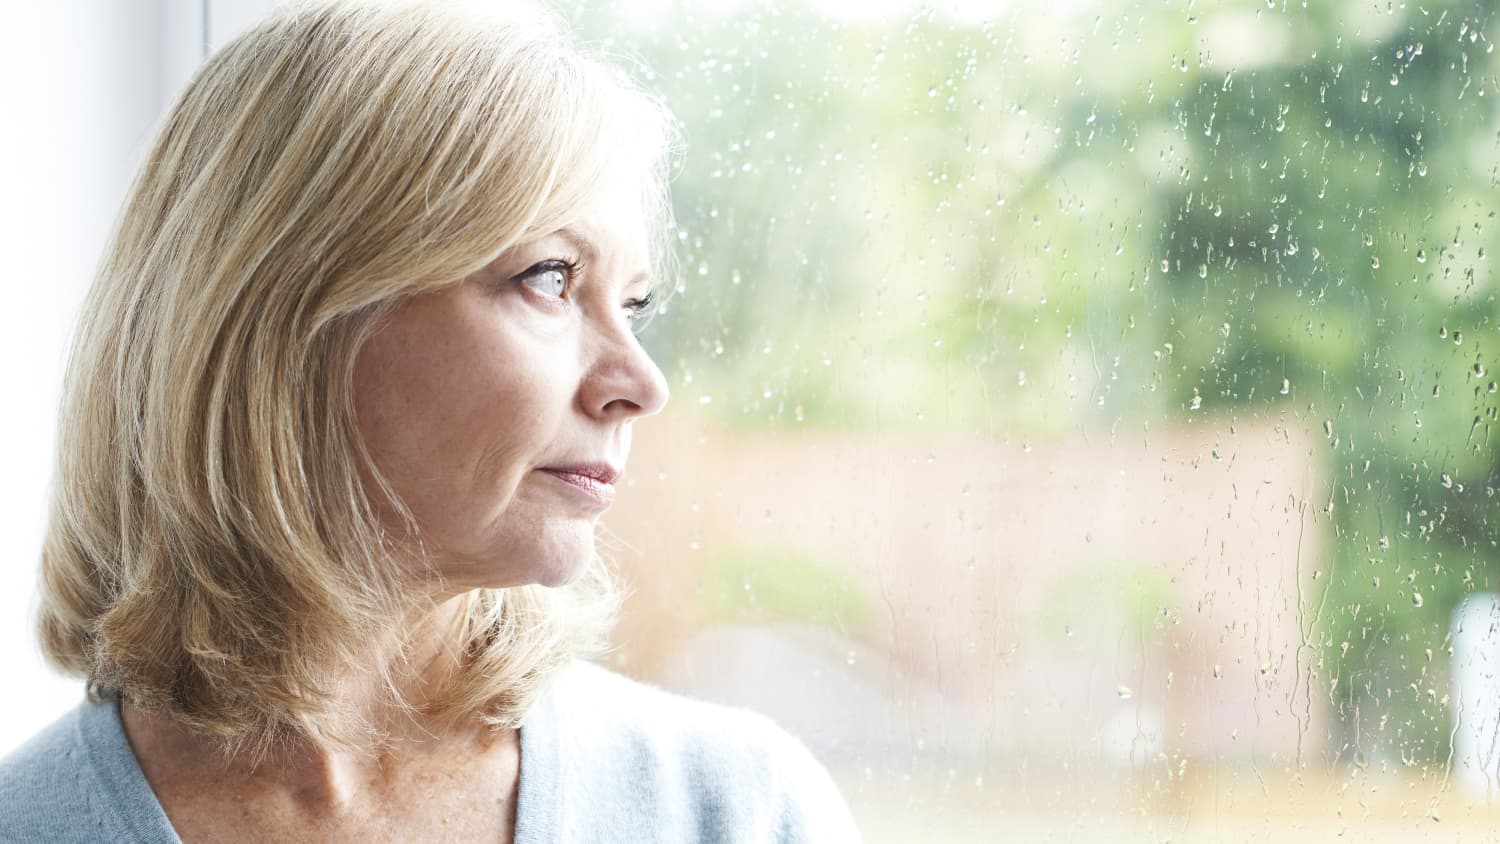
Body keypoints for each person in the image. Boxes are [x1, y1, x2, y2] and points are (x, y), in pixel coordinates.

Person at [0, 1, 861, 841]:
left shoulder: (736, 810)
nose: (642, 382)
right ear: (284, 316)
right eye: (551, 279)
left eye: (633, 303)